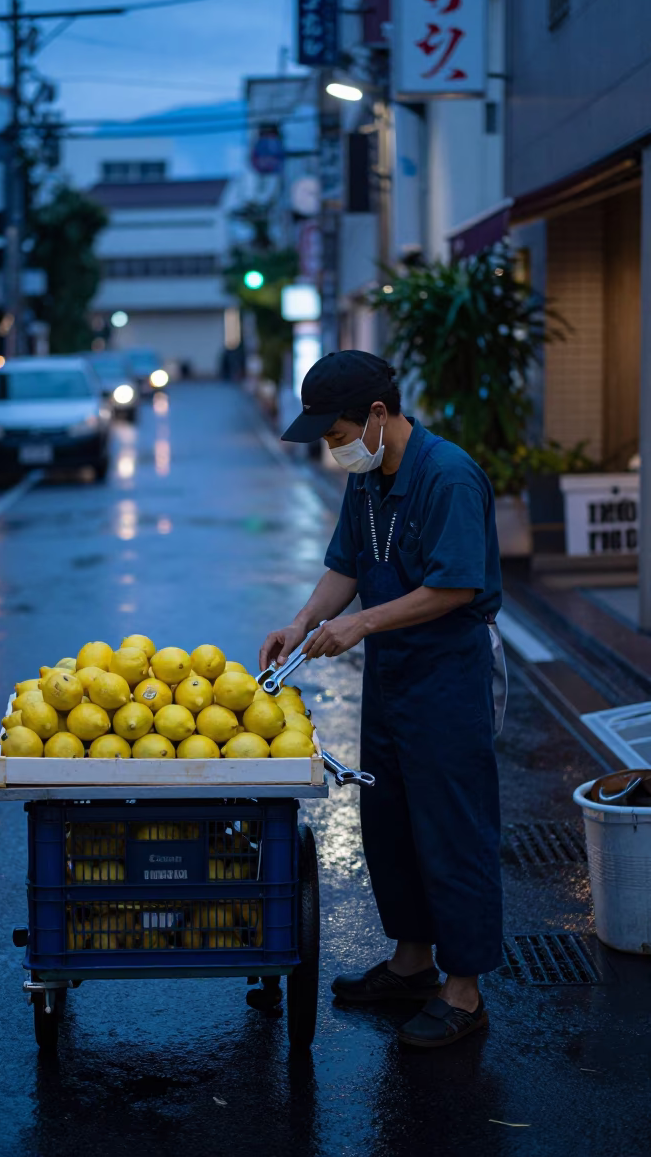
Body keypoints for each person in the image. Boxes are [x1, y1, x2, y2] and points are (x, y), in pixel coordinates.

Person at [259, 350, 504, 1048]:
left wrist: (359, 624)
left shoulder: (447, 476)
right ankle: (411, 963)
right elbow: (346, 564)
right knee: (391, 821)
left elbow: (455, 587)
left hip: (449, 670)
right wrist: (303, 622)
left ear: (376, 415)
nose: (334, 450)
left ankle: (464, 993)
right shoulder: (367, 481)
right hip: (393, 671)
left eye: (336, 435)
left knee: (452, 827)